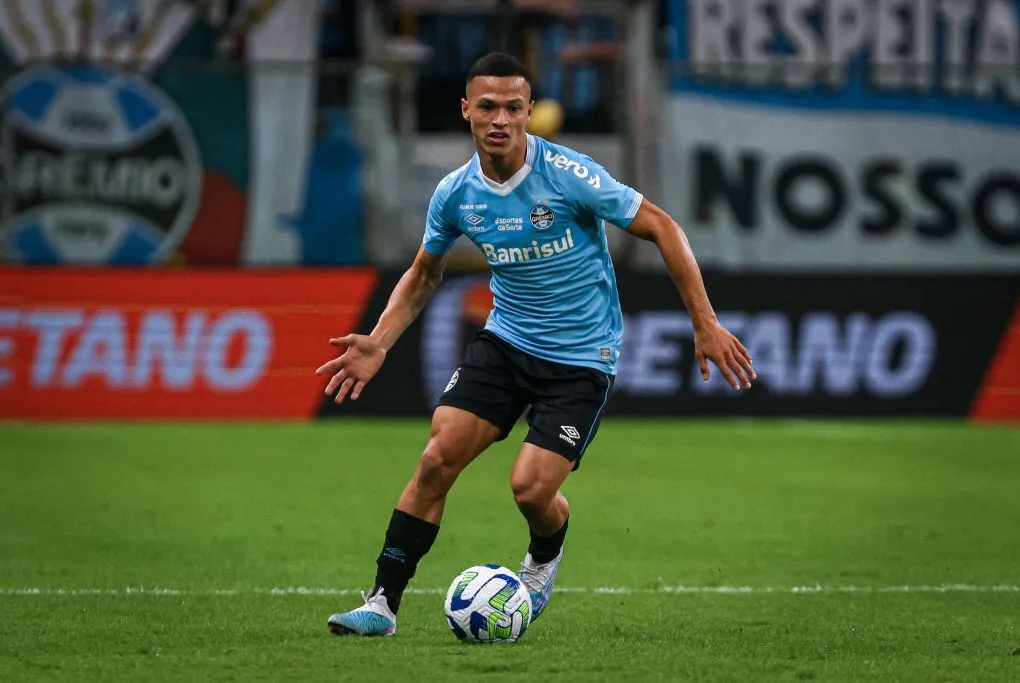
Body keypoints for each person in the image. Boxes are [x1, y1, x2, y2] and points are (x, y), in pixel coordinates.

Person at [317, 52, 755, 637]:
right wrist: (378, 341)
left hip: (580, 360)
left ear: (530, 113)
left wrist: (704, 322)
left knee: (530, 489)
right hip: (506, 343)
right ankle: (381, 605)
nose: (500, 119)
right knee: (435, 459)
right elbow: (424, 273)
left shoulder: (570, 176)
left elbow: (662, 226)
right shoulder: (456, 194)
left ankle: (544, 558)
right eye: (489, 106)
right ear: (467, 110)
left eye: (513, 107)